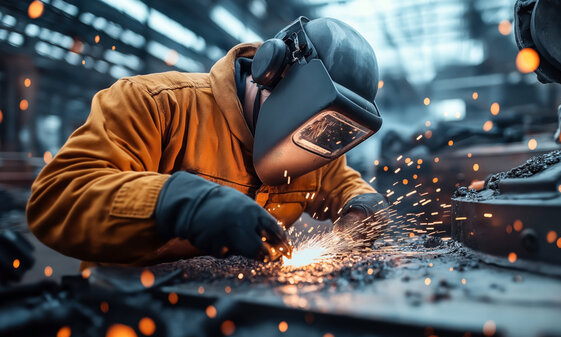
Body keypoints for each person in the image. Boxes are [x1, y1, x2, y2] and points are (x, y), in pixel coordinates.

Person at [26, 16, 388, 269]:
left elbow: (349, 187)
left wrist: (363, 215)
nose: (317, 144)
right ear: (271, 73)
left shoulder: (315, 145)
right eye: (315, 124)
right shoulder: (155, 103)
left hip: (235, 315)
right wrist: (180, 203)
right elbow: (56, 198)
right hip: (126, 308)